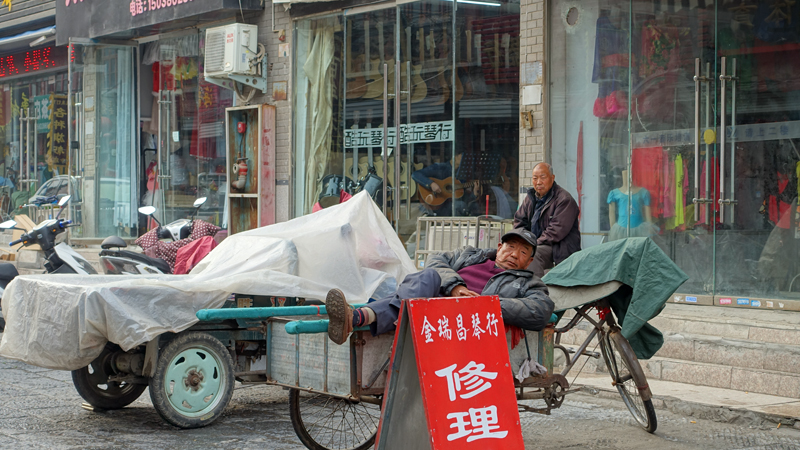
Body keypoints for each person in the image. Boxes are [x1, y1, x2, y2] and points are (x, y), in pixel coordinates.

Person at [326, 228, 554, 345]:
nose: (514, 254)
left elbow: (540, 310)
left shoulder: (529, 283)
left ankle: (359, 317)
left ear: (529, 261)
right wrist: (454, 286)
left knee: (411, 293)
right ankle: (359, 318)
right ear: (499, 246)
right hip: (428, 301)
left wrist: (485, 304)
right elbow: (435, 260)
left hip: (460, 321)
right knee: (428, 276)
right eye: (511, 246)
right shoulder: (470, 255)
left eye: (523, 252)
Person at [514, 162, 581, 277]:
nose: (538, 182)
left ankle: (535, 290)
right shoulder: (530, 198)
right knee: (507, 252)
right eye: (535, 178)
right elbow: (519, 222)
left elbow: (555, 231)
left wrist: (532, 244)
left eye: (542, 177)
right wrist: (521, 241)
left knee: (533, 255)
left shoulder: (564, 200)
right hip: (535, 243)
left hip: (558, 248)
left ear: (552, 178)